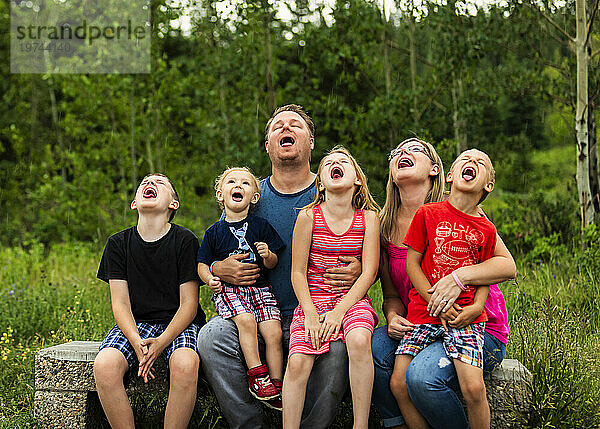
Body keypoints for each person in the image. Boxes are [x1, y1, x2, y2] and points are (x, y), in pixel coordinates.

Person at [196, 104, 361, 428]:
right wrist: (217, 269)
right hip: (255, 319)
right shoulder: (248, 193)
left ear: (311, 142)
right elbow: (214, 251)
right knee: (212, 337)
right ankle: (252, 422)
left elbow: (367, 246)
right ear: (268, 145)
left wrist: (357, 267)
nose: (286, 129)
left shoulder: (334, 188)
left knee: (339, 348)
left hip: (317, 315)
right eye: (277, 126)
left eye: (296, 125)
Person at [371, 140, 516, 429]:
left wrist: (459, 278)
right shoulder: (383, 226)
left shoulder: (462, 211)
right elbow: (391, 294)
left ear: (437, 170)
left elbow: (506, 266)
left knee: (423, 377)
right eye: (396, 151)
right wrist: (392, 316)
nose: (402, 153)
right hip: (421, 318)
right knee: (373, 350)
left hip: (474, 322)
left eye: (414, 149)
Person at [93, 173, 205, 429]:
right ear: (134, 204)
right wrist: (136, 342)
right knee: (105, 364)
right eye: (144, 182)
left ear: (173, 204)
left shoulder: (184, 240)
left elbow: (189, 304)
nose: (149, 184)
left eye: (160, 182)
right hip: (137, 325)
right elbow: (120, 304)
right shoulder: (117, 244)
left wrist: (161, 343)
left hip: (178, 324)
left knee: (186, 363)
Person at [282, 146, 380, 429]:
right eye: (328, 164)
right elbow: (298, 273)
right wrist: (311, 314)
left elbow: (369, 272)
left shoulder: (369, 219)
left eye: (343, 162)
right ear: (321, 182)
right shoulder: (309, 217)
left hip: (351, 301)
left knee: (360, 340)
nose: (335, 164)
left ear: (357, 180)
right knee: (299, 361)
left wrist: (339, 312)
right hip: (313, 299)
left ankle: (360, 424)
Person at [197, 167, 285, 407]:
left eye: (245, 183)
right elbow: (202, 263)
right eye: (232, 182)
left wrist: (268, 256)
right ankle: (257, 375)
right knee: (245, 321)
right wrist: (210, 278)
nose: (238, 186)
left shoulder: (261, 225)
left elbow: (274, 260)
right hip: (231, 291)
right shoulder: (214, 232)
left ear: (254, 197)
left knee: (273, 332)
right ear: (220, 195)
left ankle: (276, 384)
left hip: (261, 289)